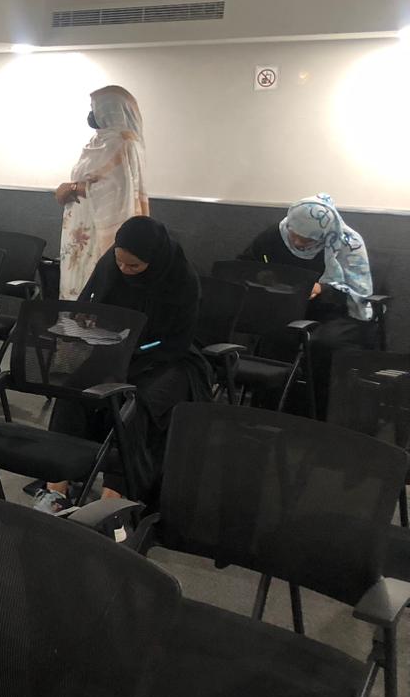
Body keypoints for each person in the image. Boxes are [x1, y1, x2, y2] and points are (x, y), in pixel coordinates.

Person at [34, 216, 210, 513]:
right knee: (74, 389)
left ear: (154, 260)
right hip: (113, 348)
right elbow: (89, 308)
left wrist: (136, 351)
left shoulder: (181, 279)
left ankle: (111, 499)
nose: (125, 270)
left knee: (138, 403)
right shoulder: (110, 266)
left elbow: (177, 341)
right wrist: (88, 329)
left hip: (166, 357)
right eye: (120, 262)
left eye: (134, 266)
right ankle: (56, 488)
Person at [238, 193, 376, 418]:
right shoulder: (276, 234)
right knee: (274, 335)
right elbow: (245, 264)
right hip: (289, 305)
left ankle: (318, 413)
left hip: (337, 312)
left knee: (323, 344)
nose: (298, 243)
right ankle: (269, 410)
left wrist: (324, 289)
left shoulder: (347, 244)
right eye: (295, 235)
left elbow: (358, 291)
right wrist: (263, 275)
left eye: (308, 240)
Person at [56, 86, 148, 299]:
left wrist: (72, 188)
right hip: (80, 223)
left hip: (100, 227)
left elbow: (118, 189)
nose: (92, 114)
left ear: (110, 109)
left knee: (94, 283)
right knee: (74, 281)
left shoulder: (124, 142)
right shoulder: (97, 141)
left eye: (95, 108)